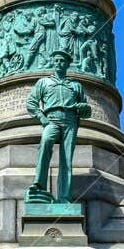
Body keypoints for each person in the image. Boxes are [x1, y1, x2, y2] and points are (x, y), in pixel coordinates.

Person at [25, 49, 91, 204]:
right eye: (56, 61)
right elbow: (31, 103)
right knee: (46, 142)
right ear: (52, 63)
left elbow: (87, 111)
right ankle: (39, 185)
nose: (59, 63)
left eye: (62, 61)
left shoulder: (76, 86)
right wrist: (42, 118)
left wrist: (83, 108)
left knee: (67, 159)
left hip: (70, 121)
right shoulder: (44, 82)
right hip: (51, 120)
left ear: (68, 64)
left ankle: (64, 197)